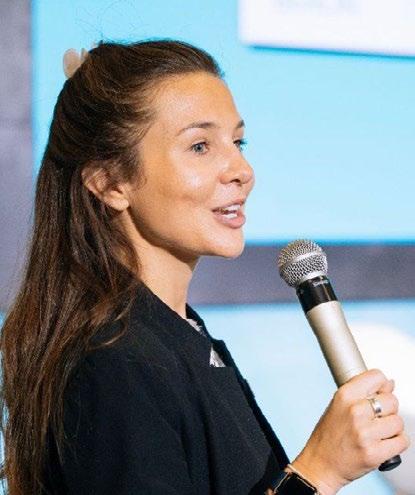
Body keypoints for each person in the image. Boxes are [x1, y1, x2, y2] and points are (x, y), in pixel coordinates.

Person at [0, 39, 409, 495]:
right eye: (199, 146)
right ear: (110, 182)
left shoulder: (181, 335)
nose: (241, 169)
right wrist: (319, 471)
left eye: (238, 142)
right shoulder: (112, 362)